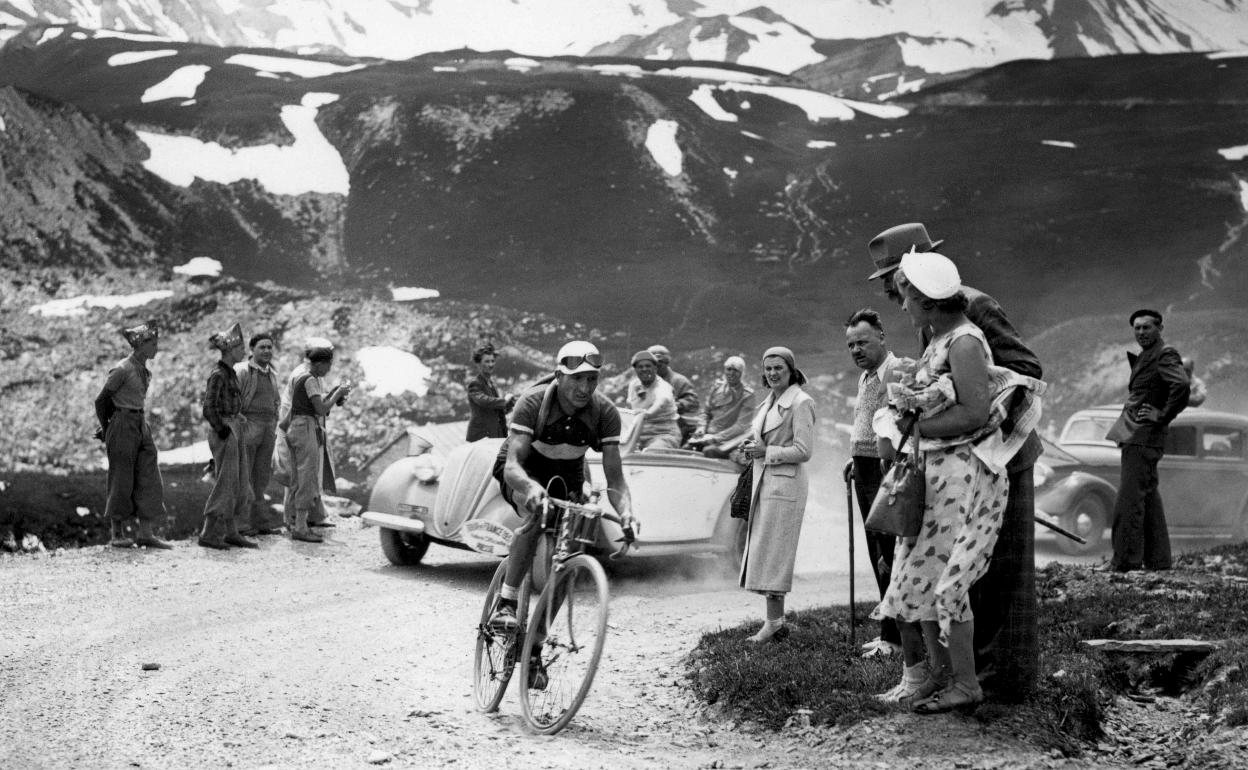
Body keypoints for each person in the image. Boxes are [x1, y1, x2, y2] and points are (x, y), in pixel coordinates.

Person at [867, 221, 1043, 700]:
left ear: (916, 272)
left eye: (892, 280)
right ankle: (968, 676)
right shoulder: (935, 322)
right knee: (962, 575)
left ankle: (1003, 680)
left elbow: (1025, 370)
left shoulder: (975, 308)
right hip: (952, 457)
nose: (889, 292)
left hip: (999, 455)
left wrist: (963, 409)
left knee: (1001, 574)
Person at [488, 342, 636, 644]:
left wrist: (627, 514)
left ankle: (536, 645)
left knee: (567, 556)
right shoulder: (532, 403)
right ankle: (506, 601)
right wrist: (530, 488)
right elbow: (513, 465)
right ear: (559, 375)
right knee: (538, 514)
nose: (585, 387)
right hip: (525, 470)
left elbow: (616, 479)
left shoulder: (605, 412)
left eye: (591, 379)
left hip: (568, 472)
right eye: (577, 378)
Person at [737, 347, 816, 644]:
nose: (772, 373)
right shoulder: (769, 402)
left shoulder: (800, 402)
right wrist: (752, 446)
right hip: (767, 481)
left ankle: (774, 623)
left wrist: (766, 452)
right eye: (768, 368)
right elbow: (764, 438)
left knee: (775, 553)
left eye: (778, 368)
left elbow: (804, 451)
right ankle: (774, 621)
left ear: (791, 370)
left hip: (786, 485)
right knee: (766, 550)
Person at [1105, 309, 1190, 572]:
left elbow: (1182, 385)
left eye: (1147, 327)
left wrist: (1162, 415)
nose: (1141, 332)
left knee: (1129, 500)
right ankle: (1158, 560)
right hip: (1138, 435)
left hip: (1143, 436)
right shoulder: (1147, 356)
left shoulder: (1164, 354)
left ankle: (1125, 562)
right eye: (1137, 328)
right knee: (1148, 497)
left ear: (1160, 328)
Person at [844, 309, 904, 657]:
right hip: (865, 467)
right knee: (874, 547)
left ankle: (895, 637)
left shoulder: (894, 370)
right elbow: (868, 423)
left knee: (888, 550)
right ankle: (888, 633)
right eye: (851, 344)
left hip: (885, 468)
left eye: (863, 342)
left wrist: (878, 463)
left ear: (881, 335)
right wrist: (855, 457)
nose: (856, 350)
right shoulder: (866, 376)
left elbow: (893, 428)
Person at [93, 321, 173, 550]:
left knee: (149, 473)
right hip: (123, 422)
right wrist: (107, 428)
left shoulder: (143, 370)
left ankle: (145, 533)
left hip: (139, 422)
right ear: (140, 345)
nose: (156, 348)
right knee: (121, 478)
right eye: (153, 344)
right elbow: (101, 400)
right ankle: (116, 533)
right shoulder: (123, 369)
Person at [276, 338, 353, 543]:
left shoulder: (301, 376)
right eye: (328, 364)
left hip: (295, 428)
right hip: (305, 428)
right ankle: (301, 526)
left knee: (297, 477)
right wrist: (337, 393)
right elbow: (320, 409)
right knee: (307, 476)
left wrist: (332, 394)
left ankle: (293, 521)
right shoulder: (309, 379)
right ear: (319, 363)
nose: (329, 369)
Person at [198, 323, 259, 551]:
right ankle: (207, 533)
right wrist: (222, 429)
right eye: (241, 347)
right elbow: (209, 406)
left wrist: (238, 417)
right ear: (231, 349)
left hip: (233, 427)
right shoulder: (218, 375)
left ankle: (231, 532)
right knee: (226, 481)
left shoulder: (230, 373)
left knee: (238, 480)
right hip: (226, 430)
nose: (244, 352)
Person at [235, 332, 284, 535]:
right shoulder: (242, 370)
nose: (266, 351)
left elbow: (276, 400)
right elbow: (232, 396)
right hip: (249, 425)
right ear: (252, 350)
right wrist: (239, 419)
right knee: (244, 475)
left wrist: (274, 421)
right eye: (262, 347)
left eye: (269, 347)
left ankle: (261, 523)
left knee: (261, 477)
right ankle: (241, 525)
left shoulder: (271, 373)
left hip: (267, 427)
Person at [686, 356, 755, 459]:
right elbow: (705, 412)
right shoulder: (717, 387)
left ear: (742, 373)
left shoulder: (747, 395)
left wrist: (715, 438)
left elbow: (741, 426)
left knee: (709, 451)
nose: (731, 373)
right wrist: (701, 428)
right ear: (724, 370)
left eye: (735, 370)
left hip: (731, 439)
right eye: (729, 369)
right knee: (686, 448)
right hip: (709, 434)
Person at [626, 349, 682, 450]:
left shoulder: (663, 387)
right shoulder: (633, 385)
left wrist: (647, 414)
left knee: (652, 453)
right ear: (635, 370)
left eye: (648, 366)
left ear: (655, 368)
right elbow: (630, 408)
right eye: (640, 367)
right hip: (638, 435)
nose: (644, 369)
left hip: (664, 435)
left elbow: (661, 402)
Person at [648, 344, 700, 442]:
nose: (656, 367)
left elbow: (693, 403)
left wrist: (673, 406)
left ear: (667, 363)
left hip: (672, 424)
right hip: (648, 424)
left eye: (660, 363)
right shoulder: (641, 382)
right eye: (652, 364)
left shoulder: (679, 381)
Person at [466, 343, 515, 441]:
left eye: (492, 361)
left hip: (496, 434)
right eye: (487, 361)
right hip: (481, 436)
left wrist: (510, 404)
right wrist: (504, 401)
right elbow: (484, 401)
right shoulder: (475, 384)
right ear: (479, 364)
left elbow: (496, 410)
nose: (491, 364)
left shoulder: (491, 383)